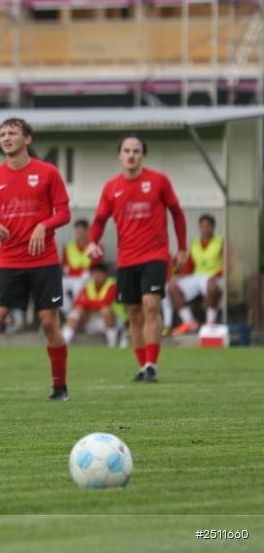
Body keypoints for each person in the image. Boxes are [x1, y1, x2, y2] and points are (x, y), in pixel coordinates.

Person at [0, 117, 71, 402]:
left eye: (12, 133)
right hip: (10, 260)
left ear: (27, 139)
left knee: (49, 323)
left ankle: (60, 388)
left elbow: (64, 213)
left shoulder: (48, 172)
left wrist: (44, 225)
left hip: (44, 260)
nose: (6, 138)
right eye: (2, 134)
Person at [86, 133, 187, 383]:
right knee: (133, 312)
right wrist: (92, 242)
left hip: (155, 255)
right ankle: (142, 366)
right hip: (127, 259)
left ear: (143, 155)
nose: (131, 155)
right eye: (127, 151)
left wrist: (182, 248)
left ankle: (152, 365)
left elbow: (177, 213)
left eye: (136, 151)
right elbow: (99, 220)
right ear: (120, 155)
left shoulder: (159, 181)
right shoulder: (111, 187)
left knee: (151, 304)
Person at [169, 214, 224, 333]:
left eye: (207, 226)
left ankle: (210, 324)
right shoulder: (195, 243)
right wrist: (179, 276)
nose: (204, 229)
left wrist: (218, 275)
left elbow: (228, 264)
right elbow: (189, 265)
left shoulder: (220, 242)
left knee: (211, 286)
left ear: (213, 227)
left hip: (215, 277)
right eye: (202, 226)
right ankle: (189, 322)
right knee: (172, 287)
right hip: (197, 277)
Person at [61, 264, 125, 347]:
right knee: (77, 311)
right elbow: (77, 302)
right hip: (93, 321)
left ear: (105, 274)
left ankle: (112, 343)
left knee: (105, 310)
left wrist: (88, 303)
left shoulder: (113, 284)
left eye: (99, 274)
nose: (96, 277)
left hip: (115, 323)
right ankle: (63, 342)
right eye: (94, 274)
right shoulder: (88, 285)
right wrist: (93, 304)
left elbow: (105, 302)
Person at [61, 219, 98, 315]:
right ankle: (70, 314)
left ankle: (79, 315)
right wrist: (70, 272)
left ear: (88, 231)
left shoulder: (95, 246)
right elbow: (65, 266)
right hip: (71, 277)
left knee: (80, 287)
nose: (80, 234)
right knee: (57, 288)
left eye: (82, 232)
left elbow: (95, 267)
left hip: (87, 278)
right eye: (78, 232)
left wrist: (81, 272)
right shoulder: (68, 246)